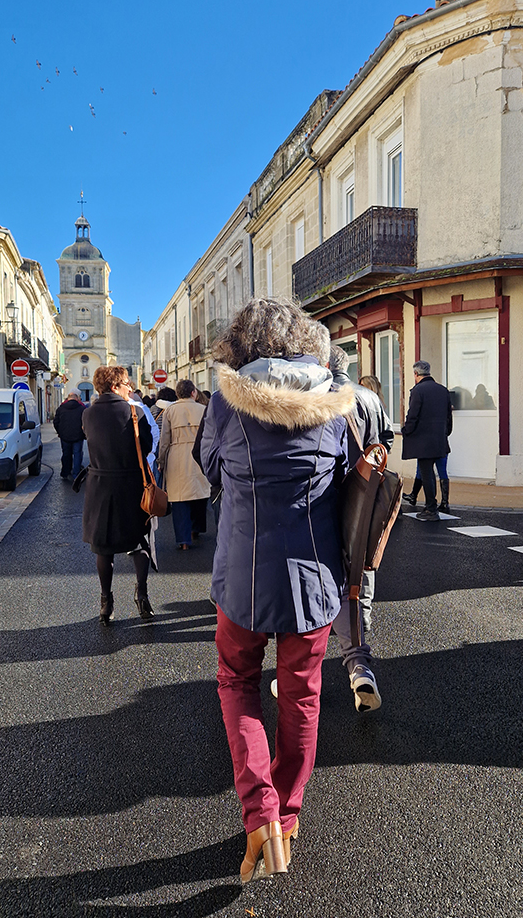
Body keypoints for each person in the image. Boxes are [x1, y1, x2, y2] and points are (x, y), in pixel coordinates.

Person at [200, 297, 354, 884]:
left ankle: (260, 814)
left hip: (242, 575)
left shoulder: (226, 404)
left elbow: (212, 469)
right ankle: (286, 819)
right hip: (313, 581)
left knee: (237, 682)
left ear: (243, 343)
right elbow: (342, 479)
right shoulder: (335, 405)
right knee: (302, 698)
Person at [328, 344, 393, 712]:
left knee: (323, 576)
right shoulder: (368, 396)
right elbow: (386, 440)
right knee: (361, 568)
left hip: (329, 496)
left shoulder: (320, 395)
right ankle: (360, 641)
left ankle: (303, 668)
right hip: (365, 496)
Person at [81, 366, 155, 624]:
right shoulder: (134, 412)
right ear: (114, 386)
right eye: (126, 384)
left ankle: (106, 602)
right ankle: (142, 596)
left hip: (100, 486)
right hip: (131, 485)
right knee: (140, 542)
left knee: (103, 547)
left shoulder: (88, 414)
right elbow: (146, 447)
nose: (130, 388)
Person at [157, 380, 210, 549]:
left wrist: (161, 461)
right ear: (193, 392)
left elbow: (165, 440)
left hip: (177, 455)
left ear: (177, 394)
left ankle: (183, 540)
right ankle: (196, 528)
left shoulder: (170, 411)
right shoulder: (204, 409)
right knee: (200, 492)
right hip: (199, 454)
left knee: (179, 499)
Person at [401, 360, 453, 522]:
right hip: (439, 439)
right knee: (433, 473)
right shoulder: (443, 390)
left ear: (416, 374)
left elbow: (413, 415)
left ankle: (431, 508)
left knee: (427, 474)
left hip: (423, 441)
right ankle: (434, 505)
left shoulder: (418, 390)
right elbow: (448, 416)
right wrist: (445, 433)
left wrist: (406, 430)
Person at [53, 391, 85, 481]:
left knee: (66, 454)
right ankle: (76, 474)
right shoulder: (81, 408)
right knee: (77, 454)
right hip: (78, 436)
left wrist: (60, 432)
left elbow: (56, 422)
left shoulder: (61, 408)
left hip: (65, 436)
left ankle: (65, 472)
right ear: (77, 398)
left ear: (68, 398)